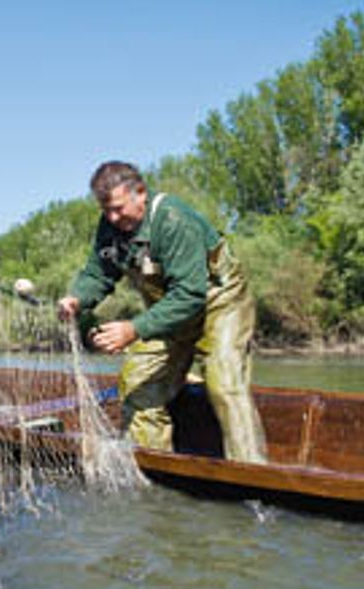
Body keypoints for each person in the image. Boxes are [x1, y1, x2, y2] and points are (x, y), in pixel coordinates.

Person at [57, 161, 267, 462]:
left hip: (219, 303)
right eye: (106, 210)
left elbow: (191, 295)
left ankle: (252, 479)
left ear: (140, 192)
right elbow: (97, 274)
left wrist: (133, 330)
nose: (113, 218)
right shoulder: (110, 227)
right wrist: (76, 299)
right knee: (136, 382)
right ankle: (156, 475)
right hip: (170, 309)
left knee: (224, 383)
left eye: (118, 208)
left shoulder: (171, 218)